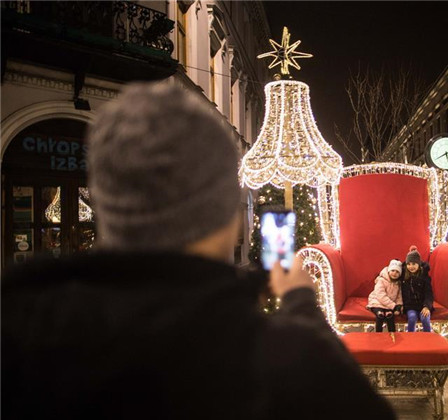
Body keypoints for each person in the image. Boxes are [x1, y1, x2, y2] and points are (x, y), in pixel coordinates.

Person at [1, 82, 395, 420]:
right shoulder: (288, 362)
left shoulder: (20, 338)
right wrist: (301, 306)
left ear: (103, 203)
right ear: (229, 212)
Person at [401, 245, 434, 332]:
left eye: (414, 264)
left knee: (425, 319)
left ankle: (428, 339)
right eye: (408, 264)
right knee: (412, 318)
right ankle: (411, 340)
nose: (411, 266)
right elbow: (391, 271)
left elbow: (429, 293)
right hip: (410, 306)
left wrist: (427, 306)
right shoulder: (404, 275)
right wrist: (380, 277)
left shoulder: (424, 276)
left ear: (419, 264)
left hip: (423, 305)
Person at [366, 260, 403, 333]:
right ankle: (378, 334)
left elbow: (399, 296)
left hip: (389, 305)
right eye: (393, 270)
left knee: (390, 315)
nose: (394, 273)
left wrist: (399, 306)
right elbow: (380, 296)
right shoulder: (381, 280)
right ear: (388, 271)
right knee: (380, 315)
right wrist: (393, 306)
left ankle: (392, 335)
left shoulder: (398, 284)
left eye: (397, 272)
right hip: (377, 301)